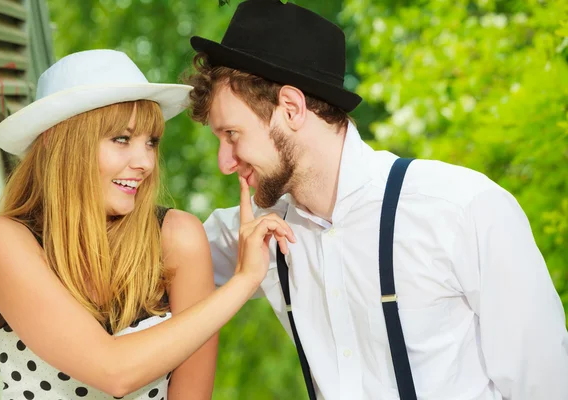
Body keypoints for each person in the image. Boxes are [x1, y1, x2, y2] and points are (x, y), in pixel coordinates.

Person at [184, 1, 568, 399]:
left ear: (292, 108)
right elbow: (143, 252)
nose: (225, 162)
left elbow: (545, 385)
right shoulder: (257, 234)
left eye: (232, 134)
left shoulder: (461, 209)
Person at [0, 49, 294, 400]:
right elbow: (113, 371)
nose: (144, 162)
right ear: (56, 141)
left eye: (151, 142)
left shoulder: (176, 239)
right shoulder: (3, 241)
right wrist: (243, 281)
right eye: (121, 139)